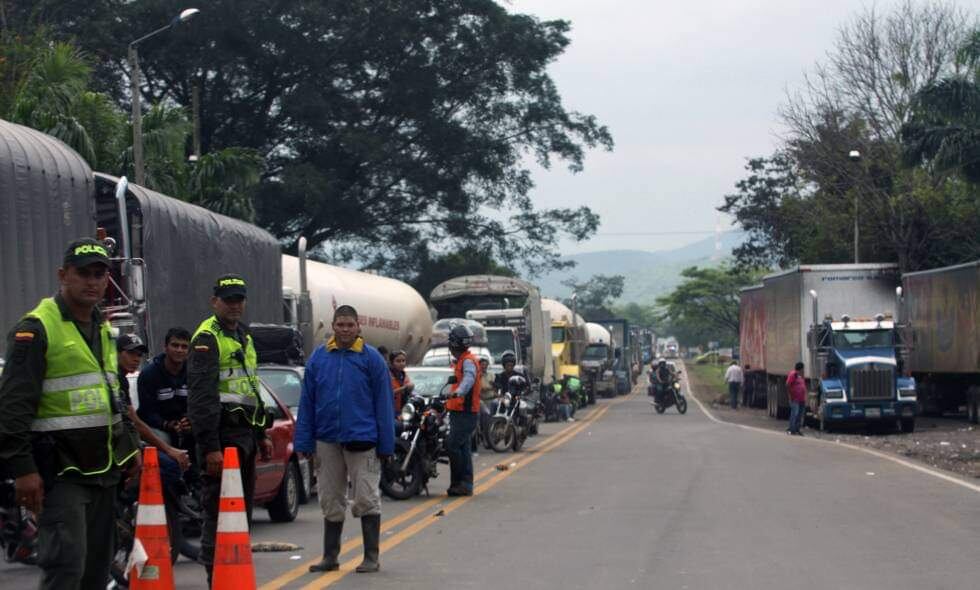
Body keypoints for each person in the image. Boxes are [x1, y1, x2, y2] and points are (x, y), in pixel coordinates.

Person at [0, 237, 141, 589]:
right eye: (83, 274)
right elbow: (12, 408)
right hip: (61, 474)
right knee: (66, 569)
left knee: (95, 573)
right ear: (63, 275)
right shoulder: (35, 329)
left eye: (100, 274)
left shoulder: (104, 330)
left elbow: (112, 398)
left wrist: (131, 450)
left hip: (103, 472)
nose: (93, 282)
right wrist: (24, 470)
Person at [187, 273, 274, 586]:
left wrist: (261, 434)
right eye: (228, 300)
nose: (235, 305)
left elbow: (251, 388)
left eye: (239, 299)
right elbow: (201, 397)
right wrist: (210, 447)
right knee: (218, 512)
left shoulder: (243, 336)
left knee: (240, 513)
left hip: (245, 436)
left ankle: (233, 573)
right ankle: (216, 577)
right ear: (215, 302)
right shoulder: (207, 339)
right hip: (222, 438)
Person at [295, 305, 394, 574]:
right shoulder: (318, 358)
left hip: (362, 440)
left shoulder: (371, 359)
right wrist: (304, 442)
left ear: (358, 327)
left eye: (350, 325)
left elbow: (384, 404)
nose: (345, 330)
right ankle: (330, 557)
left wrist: (386, 444)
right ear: (333, 326)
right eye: (341, 325)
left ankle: (371, 557)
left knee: (366, 497)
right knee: (330, 499)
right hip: (327, 439)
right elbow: (307, 403)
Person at [117, 334, 190, 477]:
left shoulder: (191, 372)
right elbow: (136, 421)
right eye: (130, 353)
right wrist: (169, 448)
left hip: (132, 440)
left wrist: (188, 420)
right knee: (170, 466)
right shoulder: (124, 378)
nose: (136, 359)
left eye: (139, 355)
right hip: (137, 438)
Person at [137, 328, 193, 451]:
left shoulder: (194, 373)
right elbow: (146, 412)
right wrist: (167, 425)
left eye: (184, 347)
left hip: (187, 427)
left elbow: (201, 404)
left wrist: (190, 420)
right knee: (163, 440)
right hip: (158, 428)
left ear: (189, 351)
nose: (179, 350)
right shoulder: (148, 374)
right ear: (165, 347)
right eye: (175, 345)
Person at [444, 324, 482, 497]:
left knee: (452, 445)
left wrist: (460, 391)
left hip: (465, 413)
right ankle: (465, 484)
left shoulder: (467, 361)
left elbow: (469, 378)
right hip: (458, 412)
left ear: (454, 344)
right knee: (463, 448)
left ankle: (459, 482)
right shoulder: (460, 361)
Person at [388, 349, 413, 414]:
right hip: (390, 411)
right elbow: (386, 394)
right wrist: (404, 388)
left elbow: (407, 392)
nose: (401, 363)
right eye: (398, 361)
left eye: (403, 361)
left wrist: (410, 388)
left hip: (404, 411)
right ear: (391, 362)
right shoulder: (386, 375)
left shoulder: (404, 374)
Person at [786, 362, 807, 436]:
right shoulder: (793, 374)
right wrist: (790, 395)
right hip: (795, 399)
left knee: (800, 415)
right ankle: (792, 429)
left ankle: (797, 429)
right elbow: (788, 384)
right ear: (801, 368)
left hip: (802, 399)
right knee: (795, 413)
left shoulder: (800, 376)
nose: (803, 370)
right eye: (803, 368)